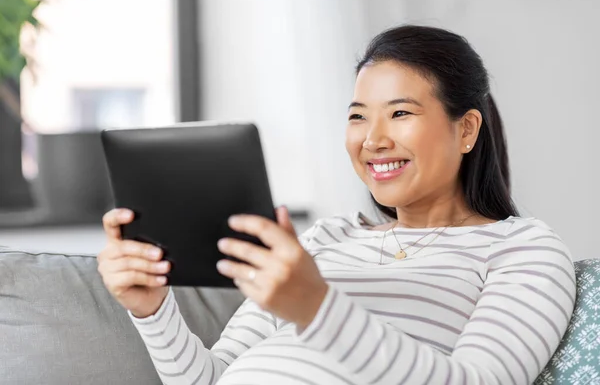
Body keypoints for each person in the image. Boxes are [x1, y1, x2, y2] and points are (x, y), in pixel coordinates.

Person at [97, 25, 575, 384]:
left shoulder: (522, 248)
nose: (373, 140)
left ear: (466, 129)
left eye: (401, 113)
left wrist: (317, 308)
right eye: (357, 117)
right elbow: (211, 378)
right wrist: (153, 311)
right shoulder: (327, 238)